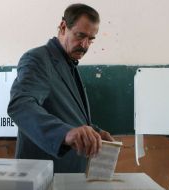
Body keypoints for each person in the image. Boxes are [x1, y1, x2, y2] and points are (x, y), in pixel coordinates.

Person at [8, 3, 114, 173]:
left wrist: (94, 133)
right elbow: (21, 106)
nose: (85, 45)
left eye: (91, 39)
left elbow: (67, 115)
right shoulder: (37, 59)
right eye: (80, 36)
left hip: (69, 174)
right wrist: (64, 133)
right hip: (44, 175)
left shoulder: (69, 64)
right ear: (63, 26)